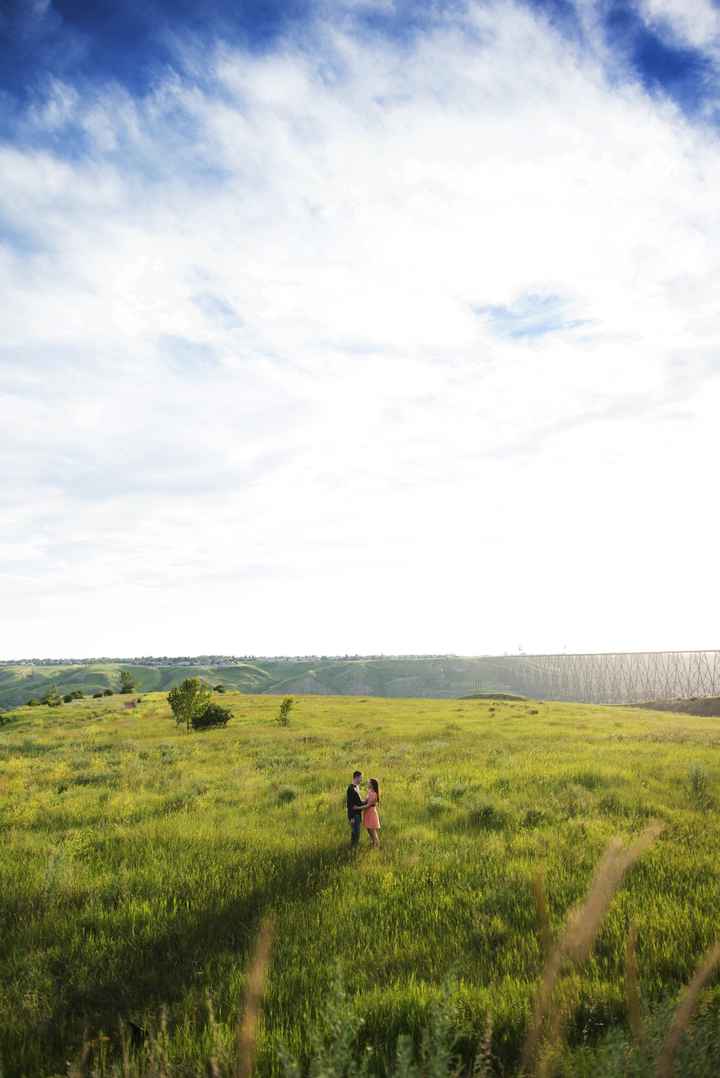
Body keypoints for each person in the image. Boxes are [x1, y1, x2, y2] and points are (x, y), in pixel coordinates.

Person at [346, 770, 365, 846]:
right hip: (354, 815)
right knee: (355, 832)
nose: (361, 780)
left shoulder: (357, 787)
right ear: (356, 777)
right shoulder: (350, 789)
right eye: (360, 778)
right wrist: (351, 817)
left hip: (358, 813)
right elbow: (349, 804)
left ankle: (354, 846)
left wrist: (366, 801)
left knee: (357, 832)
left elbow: (358, 801)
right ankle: (353, 847)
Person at [363, 778, 381, 848]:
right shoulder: (370, 791)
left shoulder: (374, 794)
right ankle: (374, 843)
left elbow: (368, 805)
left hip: (371, 812)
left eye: (369, 782)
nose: (367, 783)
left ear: (372, 784)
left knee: (372, 830)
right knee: (368, 829)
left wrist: (357, 808)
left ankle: (377, 845)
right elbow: (365, 801)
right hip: (368, 812)